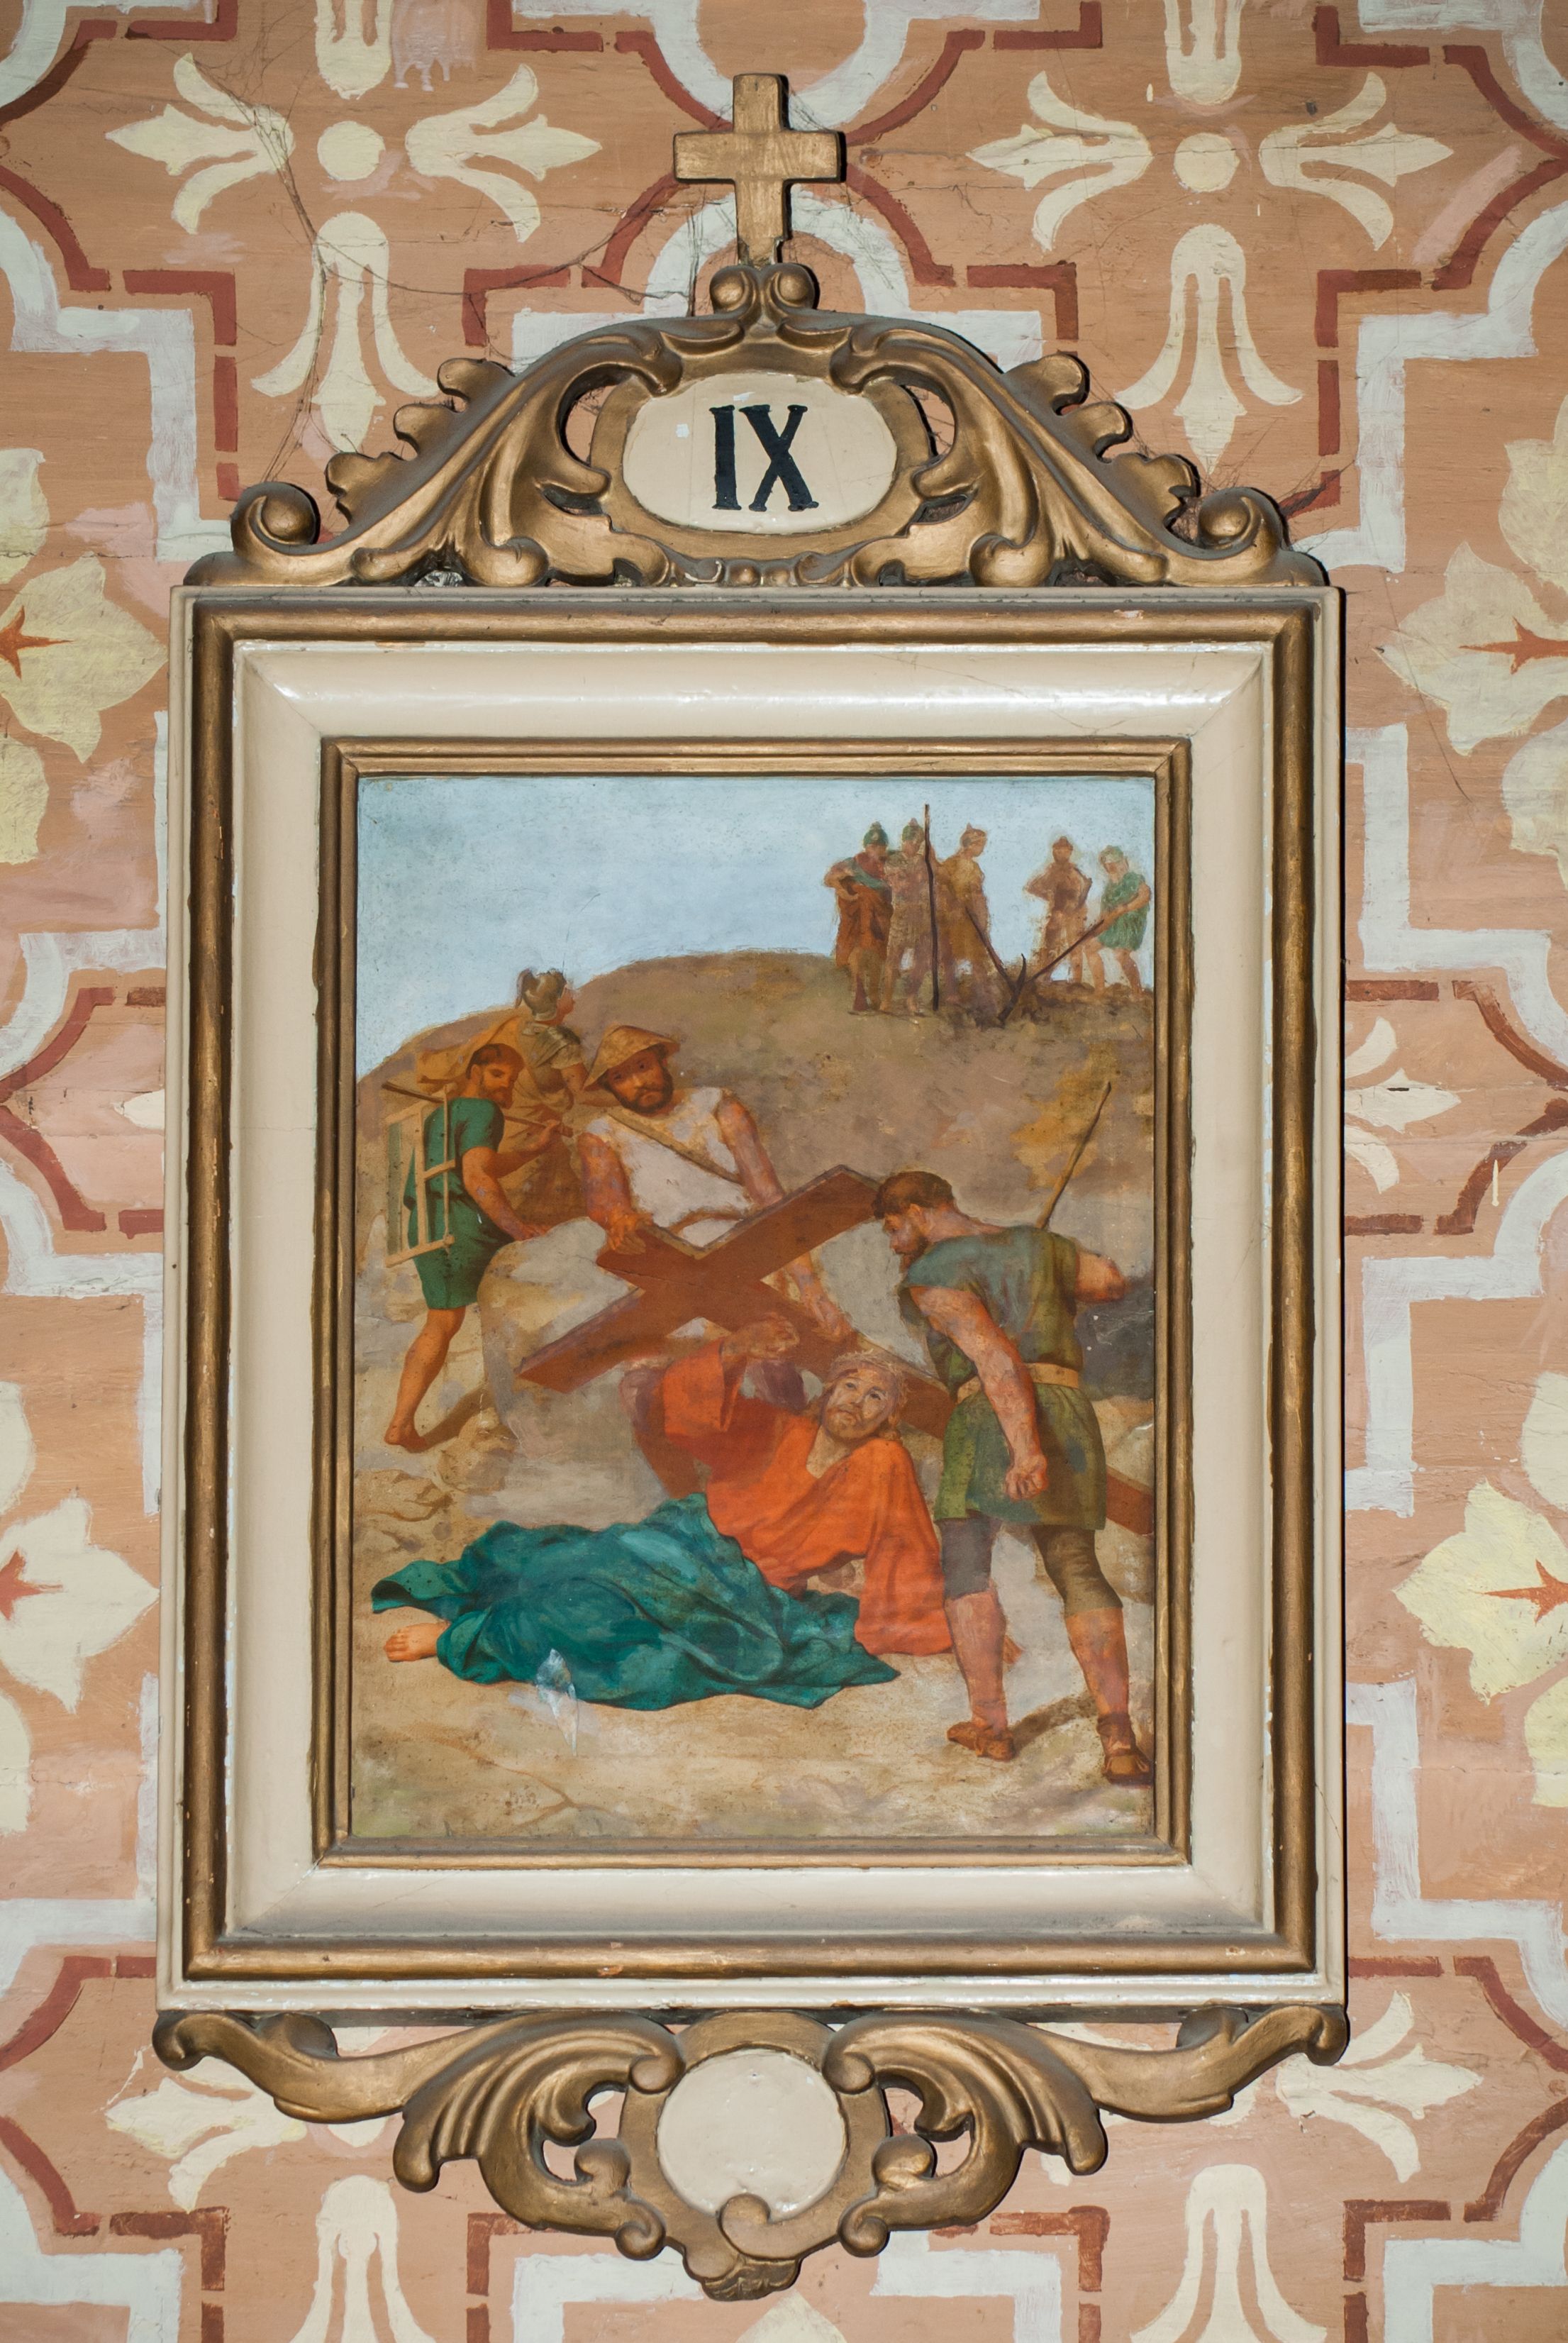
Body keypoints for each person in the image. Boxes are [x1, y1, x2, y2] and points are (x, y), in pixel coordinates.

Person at [374, 1320, 950, 1707]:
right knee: (559, 1563)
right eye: (849, 1385)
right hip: (683, 1540)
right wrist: (735, 1348)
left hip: (743, 1595)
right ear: (827, 1392)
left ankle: (465, 1636)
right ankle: (486, 1613)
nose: (856, 1401)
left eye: (875, 1397)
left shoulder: (880, 1464)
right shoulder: (777, 1428)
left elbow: (906, 1543)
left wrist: (912, 1624)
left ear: (889, 1420)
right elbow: (690, 1418)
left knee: (599, 1621)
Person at [876, 1167, 1151, 1783]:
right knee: (1076, 1566)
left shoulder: (932, 1271)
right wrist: (1041, 1261)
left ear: (917, 1211)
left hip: (989, 1417)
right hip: (1067, 1408)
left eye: (894, 1228)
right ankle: (1118, 1738)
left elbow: (994, 1355)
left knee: (967, 1565)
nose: (894, 1244)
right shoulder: (1038, 1244)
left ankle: (991, 1727)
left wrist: (1025, 1447)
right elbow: (1108, 1281)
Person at [576, 1025, 850, 1490]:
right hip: (668, 1264)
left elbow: (768, 1195)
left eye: (643, 1066)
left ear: (661, 1060)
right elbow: (606, 1201)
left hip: (743, 1250)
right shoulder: (601, 1133)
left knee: (774, 1370)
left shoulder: (717, 1104)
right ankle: (687, 1498)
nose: (639, 1082)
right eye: (622, 1077)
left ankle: (789, 1486)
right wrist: (619, 1218)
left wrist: (810, 1285)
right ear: (610, 1087)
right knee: (644, 1391)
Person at [384, 1043, 551, 1451]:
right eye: (497, 1074)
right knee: (532, 1282)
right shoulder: (484, 1112)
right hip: (459, 1224)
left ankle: (401, 1424)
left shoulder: (443, 1113)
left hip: (429, 1224)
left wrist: (533, 1149)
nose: (505, 1084)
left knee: (441, 1322)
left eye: (511, 1078)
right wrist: (518, 1228)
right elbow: (477, 1178)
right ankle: (527, 1408)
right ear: (475, 1072)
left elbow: (479, 1164)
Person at [823, 824, 893, 1013]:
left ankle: (874, 993)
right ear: (867, 846)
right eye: (872, 846)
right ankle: (860, 993)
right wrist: (843, 891)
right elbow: (830, 878)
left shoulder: (890, 862)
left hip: (881, 915)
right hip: (858, 917)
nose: (876, 850)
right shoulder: (854, 863)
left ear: (885, 847)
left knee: (878, 953)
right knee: (858, 952)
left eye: (880, 846)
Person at [939, 823, 1002, 1015]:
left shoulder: (974, 867)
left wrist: (982, 916)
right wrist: (953, 905)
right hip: (955, 918)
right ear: (971, 845)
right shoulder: (951, 864)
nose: (982, 849)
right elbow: (941, 888)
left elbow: (978, 893)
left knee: (978, 957)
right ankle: (952, 995)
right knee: (951, 955)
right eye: (980, 845)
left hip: (972, 918)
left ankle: (983, 997)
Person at [879, 819, 939, 1016]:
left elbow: (938, 876)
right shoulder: (895, 860)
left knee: (921, 960)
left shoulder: (924, 861)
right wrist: (916, 878)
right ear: (904, 841)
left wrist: (931, 858)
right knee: (894, 958)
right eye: (911, 842)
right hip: (903, 915)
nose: (914, 846)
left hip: (923, 916)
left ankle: (911, 997)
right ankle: (887, 1000)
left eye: (918, 843)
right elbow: (898, 885)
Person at [1024, 836, 1095, 988]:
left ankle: (1076, 981)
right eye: (1057, 851)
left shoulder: (1075, 870)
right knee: (1051, 945)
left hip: (1076, 913)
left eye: (1064, 851)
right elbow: (1032, 887)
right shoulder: (1052, 870)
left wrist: (1080, 898)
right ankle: (1044, 976)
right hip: (1058, 912)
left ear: (1070, 852)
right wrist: (1049, 896)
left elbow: (1084, 888)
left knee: (1075, 946)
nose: (1060, 854)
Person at [1096, 848, 1151, 994]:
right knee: (1089, 947)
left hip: (1131, 924)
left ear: (1123, 862)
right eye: (1109, 865)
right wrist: (1092, 932)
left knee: (1121, 954)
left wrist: (1126, 908)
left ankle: (1137, 992)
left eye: (1116, 863)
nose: (1113, 867)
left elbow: (1145, 896)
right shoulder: (1109, 889)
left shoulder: (1133, 879)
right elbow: (1104, 917)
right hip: (1114, 926)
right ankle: (1099, 991)